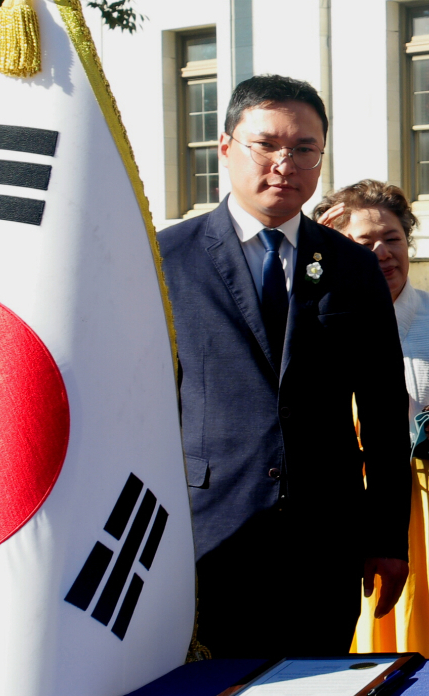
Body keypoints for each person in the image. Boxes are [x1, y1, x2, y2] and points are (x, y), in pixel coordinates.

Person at [158, 74, 409, 658]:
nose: (284, 164)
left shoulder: (350, 267)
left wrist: (388, 536)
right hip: (206, 539)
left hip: (324, 543)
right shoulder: (169, 260)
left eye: (303, 150)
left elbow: (382, 410)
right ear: (226, 149)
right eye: (265, 145)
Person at [312, 180, 429, 658]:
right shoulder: (317, 323)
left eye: (391, 239)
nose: (381, 253)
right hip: (361, 505)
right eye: (363, 242)